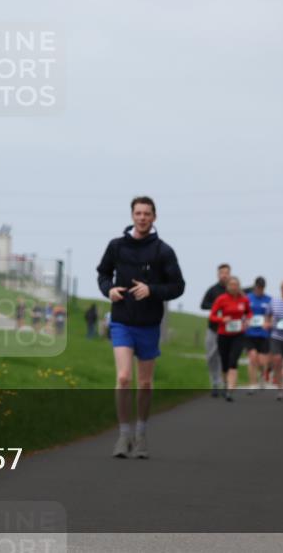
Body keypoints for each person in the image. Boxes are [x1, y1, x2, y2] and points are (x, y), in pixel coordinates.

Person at [97, 196, 185, 458]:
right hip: (122, 320)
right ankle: (123, 435)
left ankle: (141, 434)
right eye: (138, 213)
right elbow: (103, 273)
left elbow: (178, 286)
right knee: (124, 377)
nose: (142, 218)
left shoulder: (163, 251)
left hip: (148, 324)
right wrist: (109, 290)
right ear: (132, 216)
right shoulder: (116, 246)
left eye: (147, 214)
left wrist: (152, 290)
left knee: (144, 383)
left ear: (154, 217)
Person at [209, 276, 251, 402]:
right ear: (227, 287)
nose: (234, 287)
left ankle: (230, 391)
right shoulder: (221, 299)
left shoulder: (244, 299)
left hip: (238, 334)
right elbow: (212, 316)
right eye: (231, 285)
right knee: (225, 362)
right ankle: (226, 384)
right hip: (223, 334)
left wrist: (247, 320)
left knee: (233, 360)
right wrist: (222, 319)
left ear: (239, 286)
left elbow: (249, 312)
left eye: (236, 285)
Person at [200, 263, 231, 397]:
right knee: (211, 357)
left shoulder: (233, 290)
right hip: (213, 329)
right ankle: (214, 383)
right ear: (218, 275)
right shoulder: (212, 290)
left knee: (225, 357)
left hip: (229, 330)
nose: (224, 275)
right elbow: (203, 305)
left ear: (229, 274)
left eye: (226, 273)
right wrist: (216, 306)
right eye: (222, 273)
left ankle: (225, 384)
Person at [244, 276, 273, 394]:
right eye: (258, 287)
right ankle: (252, 384)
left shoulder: (269, 300)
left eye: (262, 287)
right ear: (255, 286)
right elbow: (243, 313)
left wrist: (269, 323)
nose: (260, 289)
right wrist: (245, 321)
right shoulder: (248, 298)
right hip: (250, 333)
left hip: (263, 334)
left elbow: (273, 316)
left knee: (262, 362)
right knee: (252, 358)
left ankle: (262, 376)